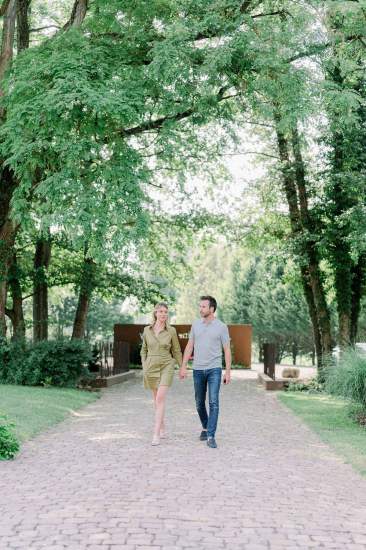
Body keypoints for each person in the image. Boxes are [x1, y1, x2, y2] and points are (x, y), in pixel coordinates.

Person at [179, 295, 231, 448]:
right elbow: (189, 346)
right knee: (199, 403)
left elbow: (227, 349)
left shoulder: (221, 327)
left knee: (213, 402)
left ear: (212, 309)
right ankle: (205, 425)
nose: (200, 309)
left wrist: (227, 371)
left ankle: (210, 435)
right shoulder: (195, 324)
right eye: (200, 306)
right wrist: (183, 366)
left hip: (214, 369)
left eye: (203, 306)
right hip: (198, 369)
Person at [141, 302, 182, 446]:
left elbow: (176, 350)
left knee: (160, 398)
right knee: (156, 399)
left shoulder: (171, 330)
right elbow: (144, 350)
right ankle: (162, 427)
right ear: (155, 313)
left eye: (166, 312)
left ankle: (156, 434)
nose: (163, 314)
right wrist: (144, 365)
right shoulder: (147, 330)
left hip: (167, 364)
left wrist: (182, 367)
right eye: (161, 311)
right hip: (151, 365)